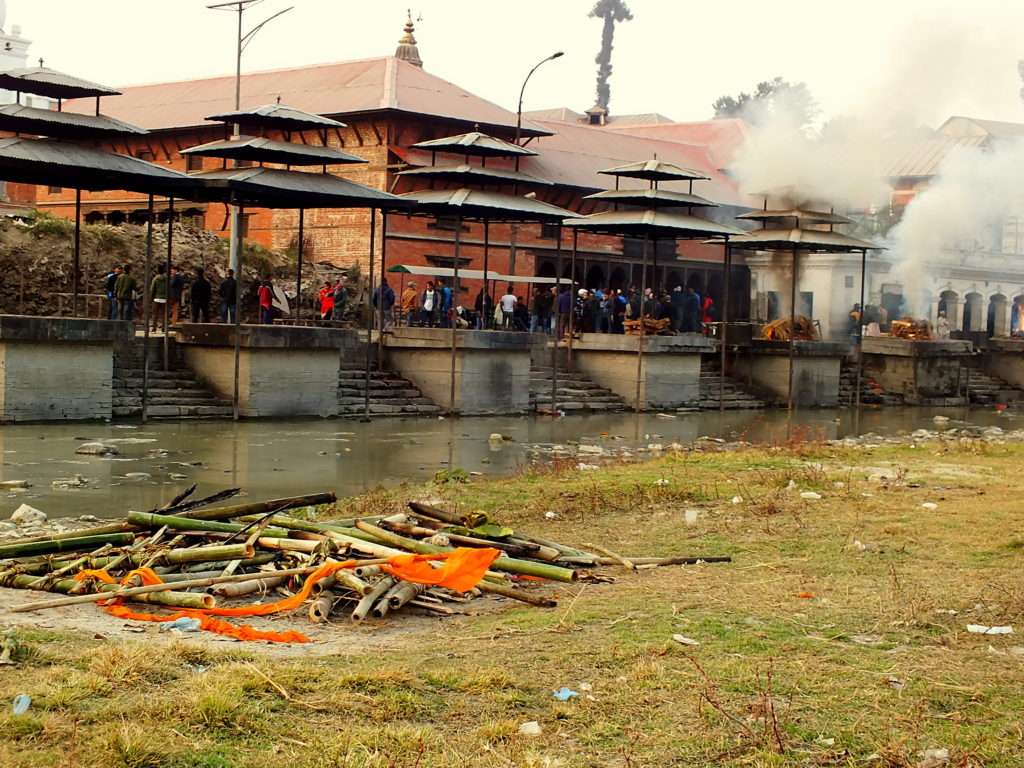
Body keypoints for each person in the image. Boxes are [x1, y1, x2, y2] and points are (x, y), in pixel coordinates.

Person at [150, 264, 168, 332]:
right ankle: (163, 328)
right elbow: (168, 288)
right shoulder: (166, 279)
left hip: (156, 298)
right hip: (164, 299)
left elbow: (152, 289)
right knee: (164, 314)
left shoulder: (155, 278)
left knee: (155, 314)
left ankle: (154, 328)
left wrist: (151, 298)